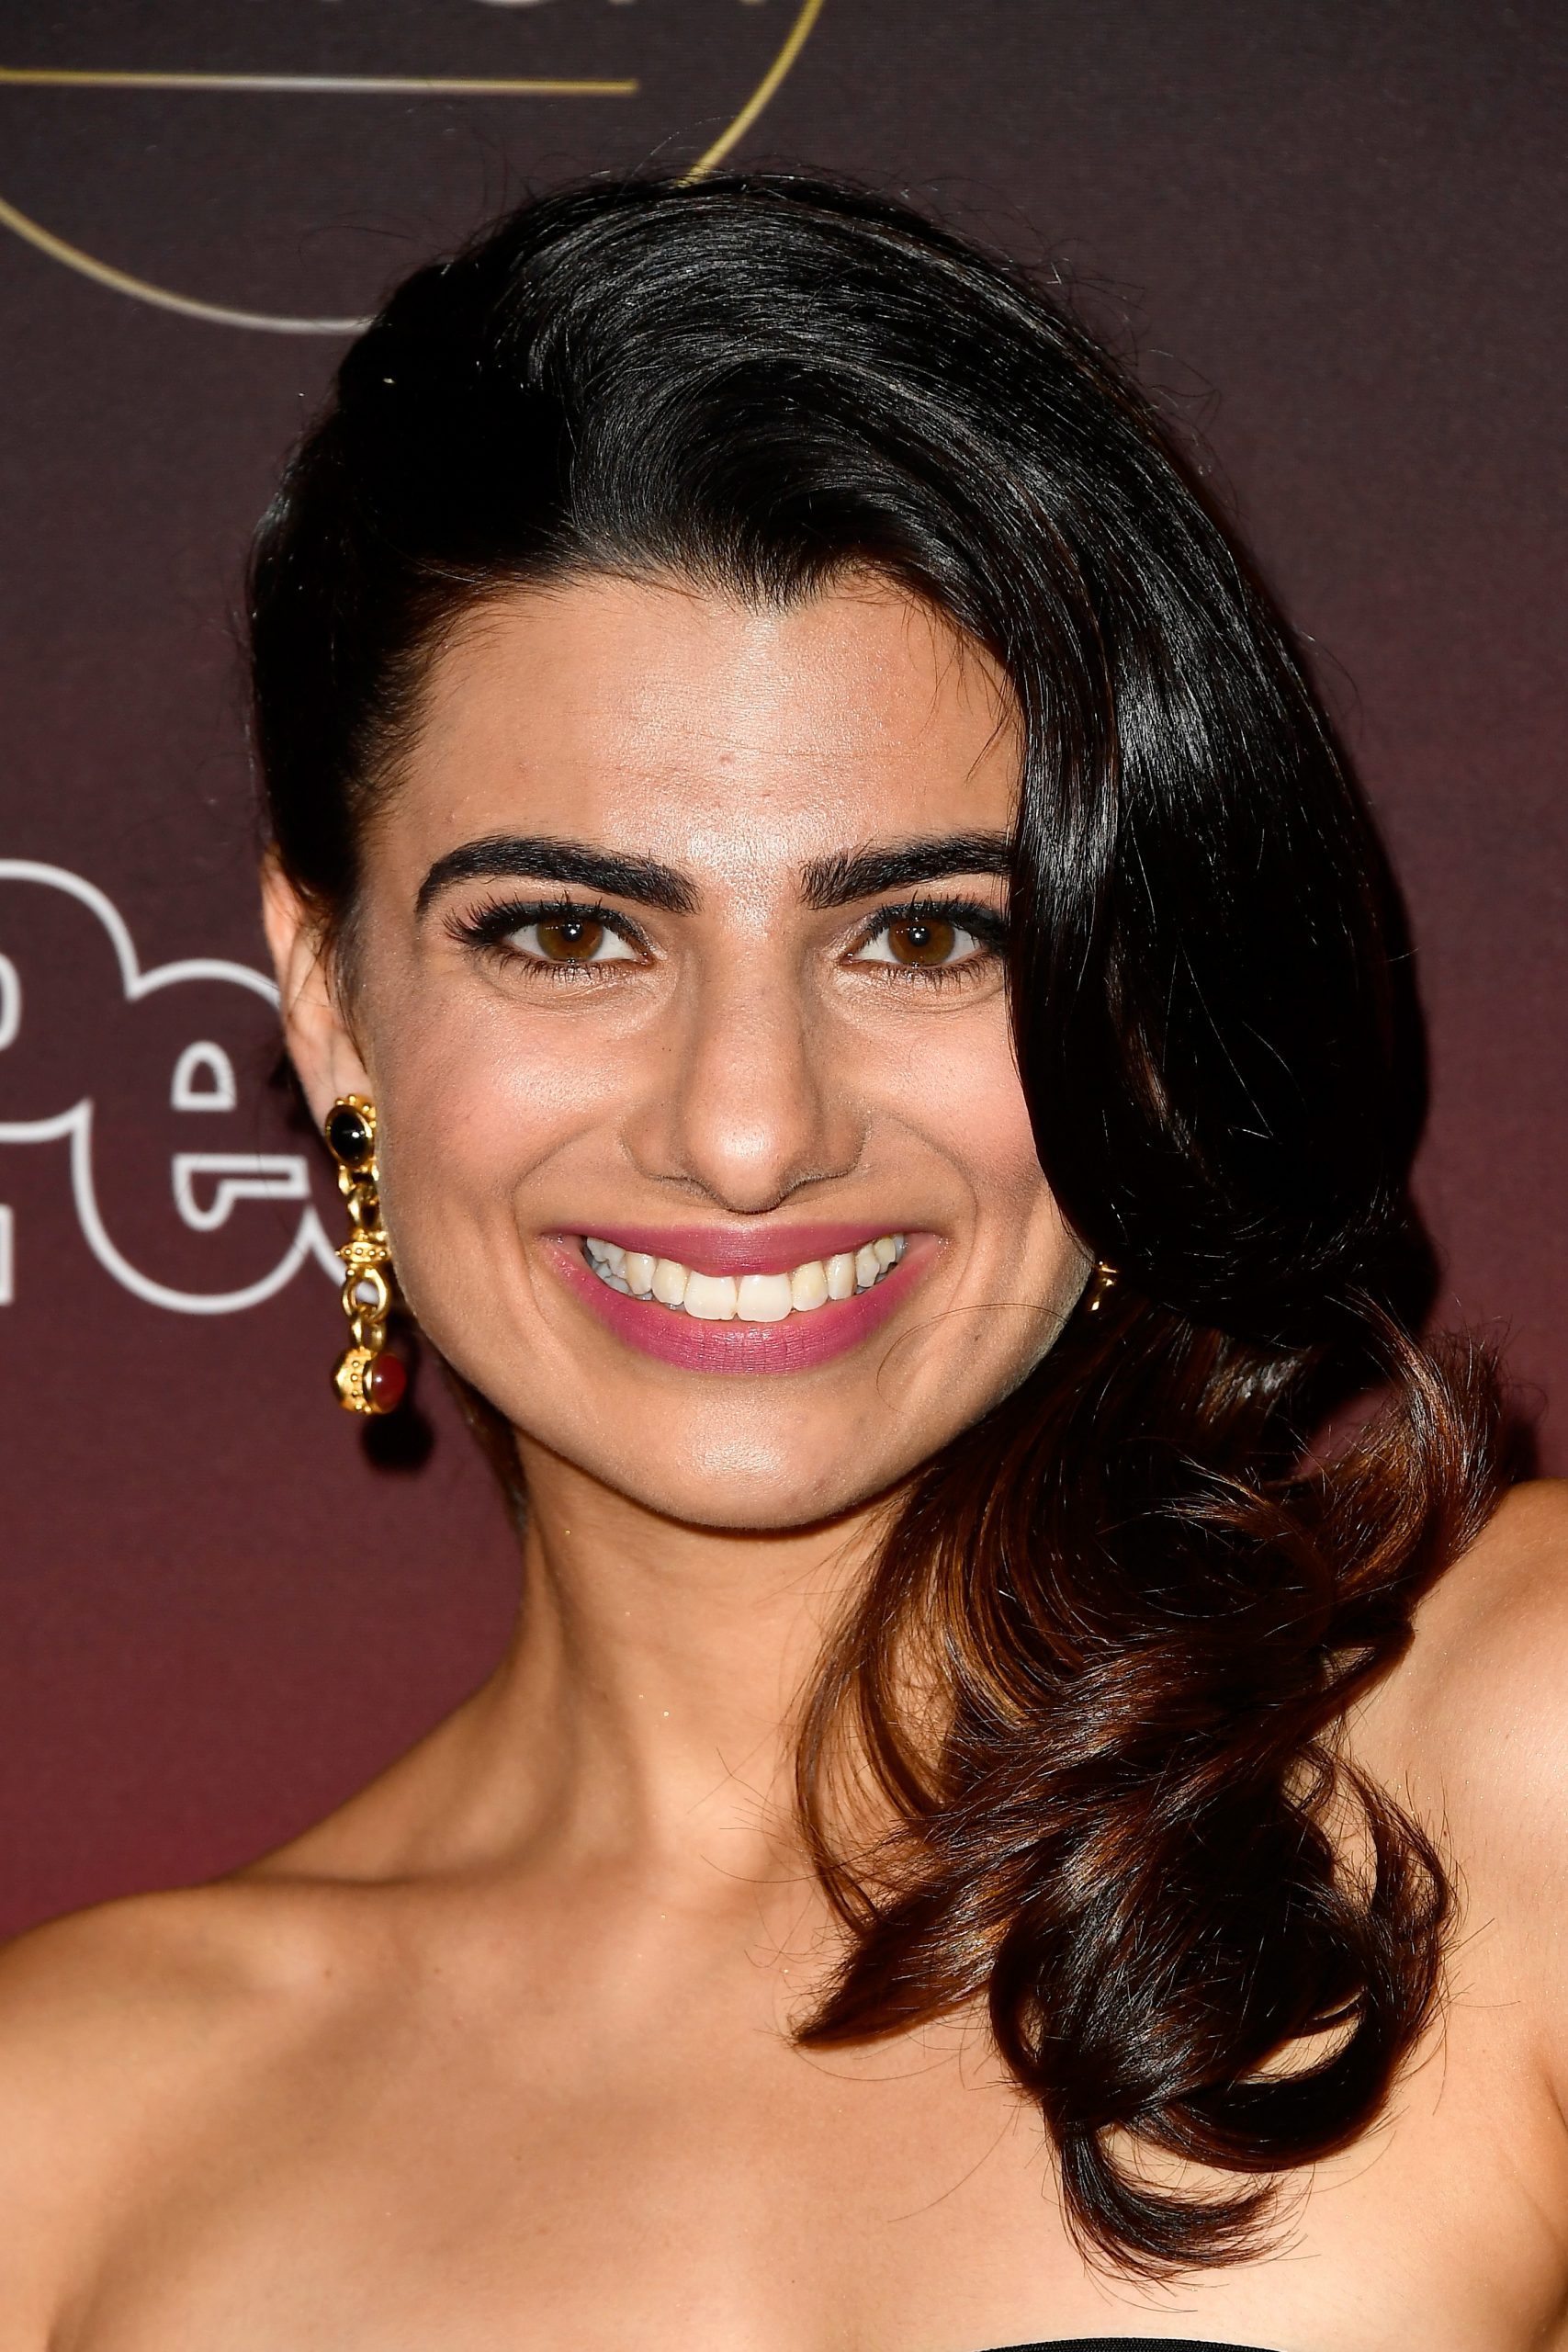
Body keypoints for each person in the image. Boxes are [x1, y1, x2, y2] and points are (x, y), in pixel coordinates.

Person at [0, 170, 1562, 2352]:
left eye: (921, 935)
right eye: (568, 931)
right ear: (330, 993)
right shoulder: (66, 2139)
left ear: (1120, 995)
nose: (746, 1128)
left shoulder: (1510, 1756)